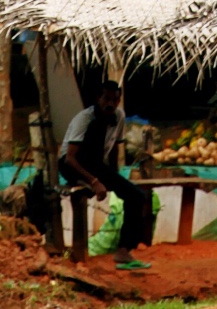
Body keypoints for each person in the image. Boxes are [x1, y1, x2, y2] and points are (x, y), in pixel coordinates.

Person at [60, 74, 154, 271]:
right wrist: (94, 181)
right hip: (73, 164)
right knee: (87, 182)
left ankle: (124, 250)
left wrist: (114, 178)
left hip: (96, 164)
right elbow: (70, 158)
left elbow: (113, 150)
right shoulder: (84, 119)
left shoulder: (119, 116)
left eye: (114, 100)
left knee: (136, 196)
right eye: (106, 99)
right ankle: (78, 255)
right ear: (98, 99)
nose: (110, 104)